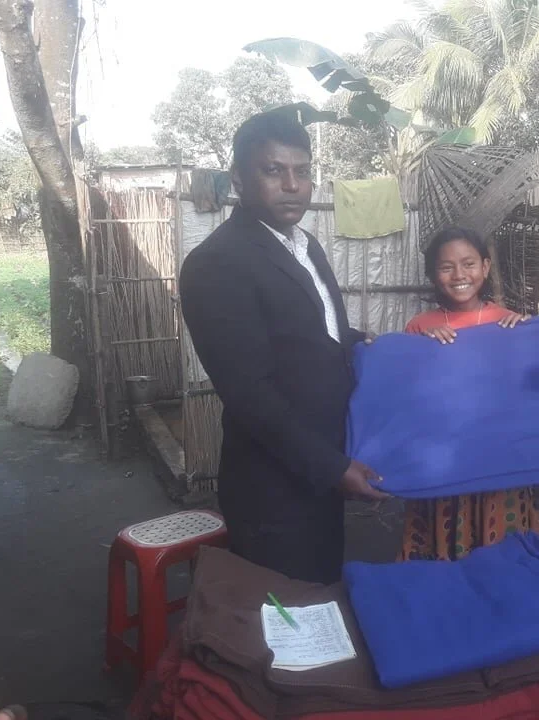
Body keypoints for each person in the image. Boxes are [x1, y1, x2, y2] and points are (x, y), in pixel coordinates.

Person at [179, 108, 387, 584]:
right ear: (239, 178)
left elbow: (312, 331)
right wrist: (333, 468)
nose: (293, 185)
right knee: (284, 608)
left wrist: (359, 340)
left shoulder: (304, 245)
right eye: (273, 170)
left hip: (322, 466)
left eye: (302, 171)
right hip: (273, 486)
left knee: (322, 590)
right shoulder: (217, 263)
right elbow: (249, 394)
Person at [399, 226, 538, 561]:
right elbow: (406, 393)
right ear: (433, 275)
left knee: (501, 550)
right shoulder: (420, 327)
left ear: (485, 267)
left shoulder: (507, 323)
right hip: (444, 464)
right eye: (446, 267)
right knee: (444, 547)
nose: (459, 275)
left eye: (469, 264)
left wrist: (528, 338)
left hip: (498, 461)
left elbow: (528, 389)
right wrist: (422, 348)